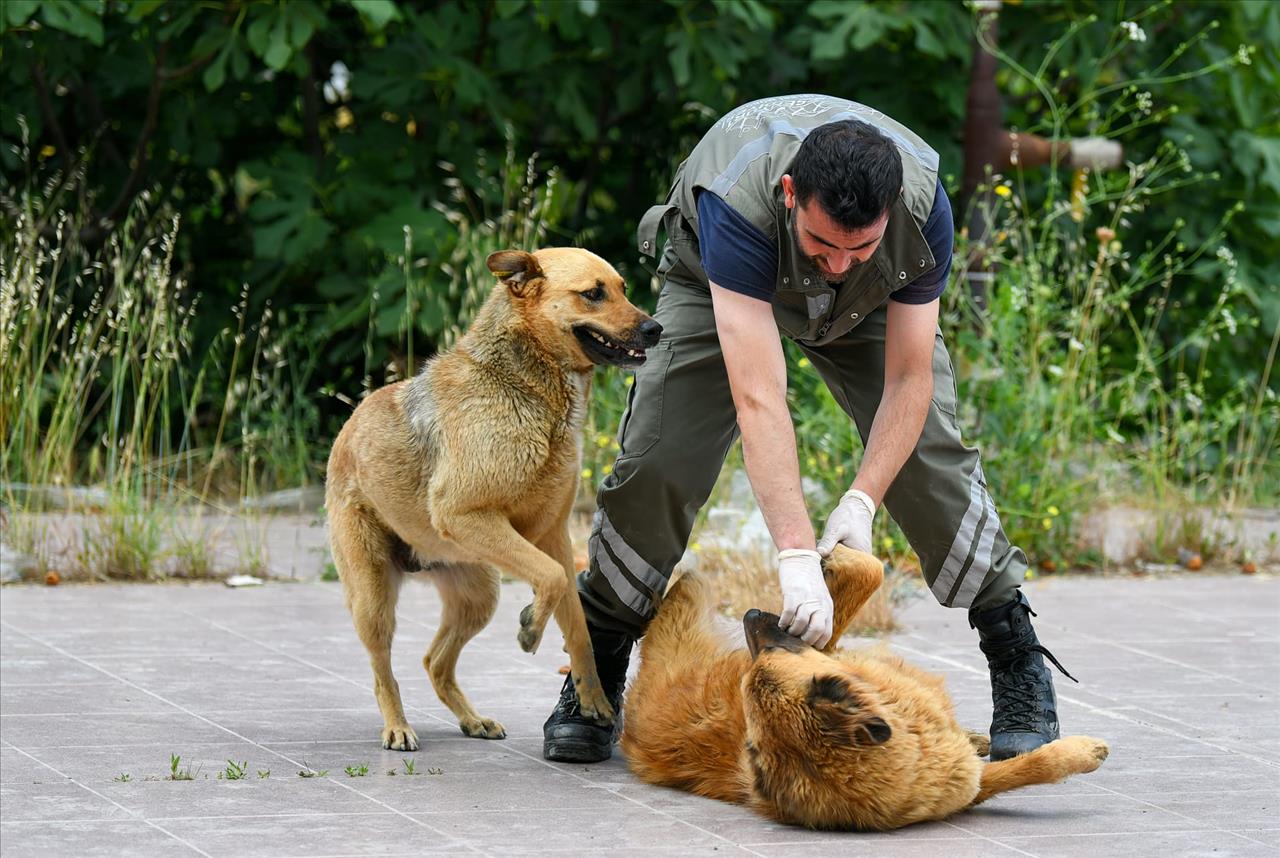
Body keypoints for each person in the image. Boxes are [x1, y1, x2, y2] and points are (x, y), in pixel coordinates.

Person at [543, 94, 1073, 765]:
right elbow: (758, 395)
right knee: (661, 459)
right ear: (791, 194)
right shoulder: (737, 204)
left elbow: (911, 380)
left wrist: (862, 501)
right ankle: (599, 666)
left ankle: (1015, 652)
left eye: (862, 245)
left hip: (869, 308)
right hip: (716, 284)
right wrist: (796, 558)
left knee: (930, 461)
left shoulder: (921, 208)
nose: (839, 263)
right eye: (825, 243)